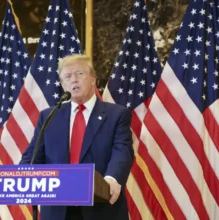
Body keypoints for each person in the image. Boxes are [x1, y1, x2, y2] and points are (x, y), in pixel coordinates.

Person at [20, 54, 134, 220]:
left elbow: (122, 152)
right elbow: (33, 156)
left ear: (93, 79)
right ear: (62, 84)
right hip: (57, 210)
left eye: (79, 74)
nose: (73, 80)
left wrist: (111, 179)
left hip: (101, 207)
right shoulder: (49, 116)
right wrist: (21, 176)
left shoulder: (116, 114)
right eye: (67, 76)